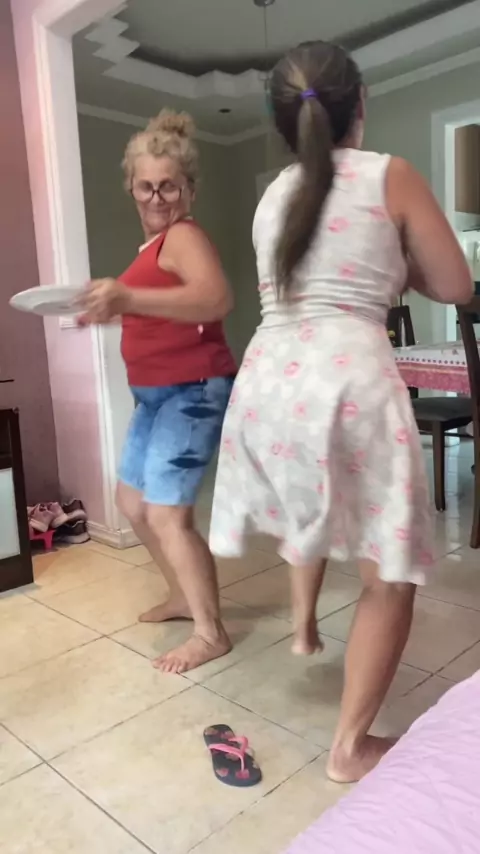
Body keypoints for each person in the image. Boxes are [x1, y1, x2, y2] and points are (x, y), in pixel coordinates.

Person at [209, 41, 472, 782]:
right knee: (389, 573)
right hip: (346, 378)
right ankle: (351, 748)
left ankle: (303, 628)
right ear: (361, 104)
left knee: (313, 508)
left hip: (268, 383)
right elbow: (455, 284)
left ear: (282, 124)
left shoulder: (272, 197)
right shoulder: (390, 175)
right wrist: (400, 259)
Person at [79, 109, 237, 674]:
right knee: (131, 503)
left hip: (192, 391)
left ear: (189, 188)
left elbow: (216, 300)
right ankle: (180, 595)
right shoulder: (149, 250)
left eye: (168, 185)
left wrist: (127, 299)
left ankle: (211, 632)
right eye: (145, 186)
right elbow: (159, 310)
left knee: (168, 514)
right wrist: (109, 308)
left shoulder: (184, 235)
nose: (156, 197)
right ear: (131, 187)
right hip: (153, 396)